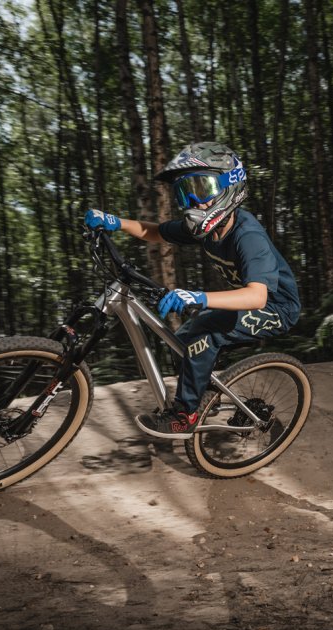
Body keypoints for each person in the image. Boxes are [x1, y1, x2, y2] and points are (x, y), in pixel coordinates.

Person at [84, 141, 301, 439]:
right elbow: (156, 231)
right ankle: (204, 398)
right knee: (181, 339)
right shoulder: (208, 226)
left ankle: (184, 417)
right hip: (246, 301)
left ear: (230, 185)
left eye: (202, 188)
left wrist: (198, 296)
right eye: (185, 193)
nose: (193, 201)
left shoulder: (248, 235)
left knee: (201, 339)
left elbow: (257, 295)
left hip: (276, 308)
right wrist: (115, 222)